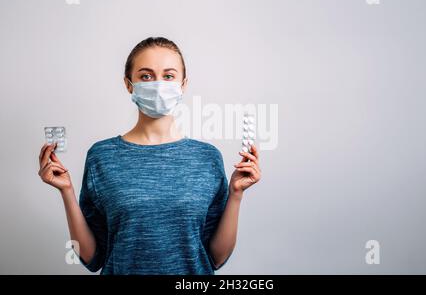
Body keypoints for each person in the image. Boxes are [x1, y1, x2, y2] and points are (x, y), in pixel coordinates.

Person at [37, 37, 261, 275]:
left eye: (168, 76)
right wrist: (67, 192)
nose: (158, 85)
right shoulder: (101, 157)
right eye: (146, 76)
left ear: (183, 84)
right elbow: (92, 258)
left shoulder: (207, 158)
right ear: (128, 84)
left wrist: (236, 194)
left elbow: (215, 258)